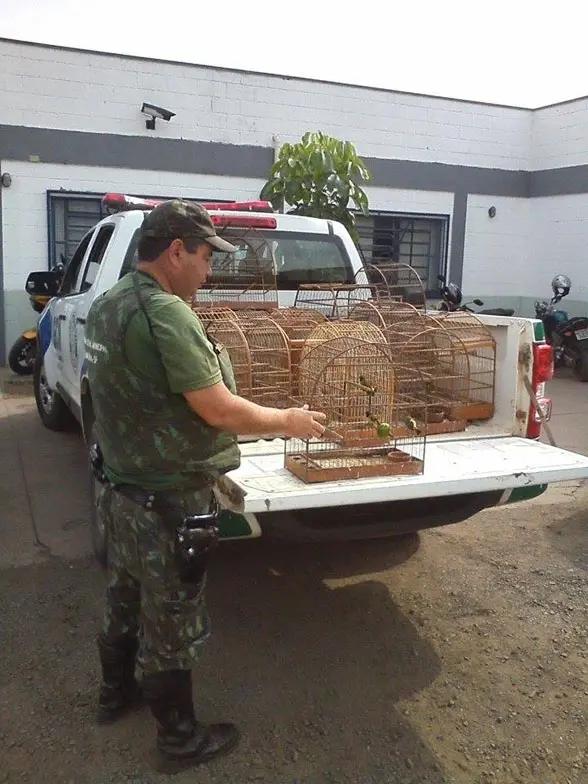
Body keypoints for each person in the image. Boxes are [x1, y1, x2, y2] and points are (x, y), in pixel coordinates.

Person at [85, 199, 326, 773]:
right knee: (172, 618)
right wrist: (286, 421)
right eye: (204, 256)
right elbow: (218, 409)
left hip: (118, 491)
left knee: (122, 596)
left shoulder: (106, 305)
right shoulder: (164, 314)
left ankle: (114, 694)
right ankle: (179, 740)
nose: (209, 270)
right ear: (175, 252)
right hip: (167, 501)